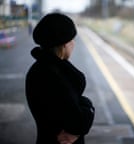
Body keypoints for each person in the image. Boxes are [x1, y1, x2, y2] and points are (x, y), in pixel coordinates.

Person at [25, 13, 95, 144]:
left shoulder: (41, 69)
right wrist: (89, 106)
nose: (73, 44)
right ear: (64, 44)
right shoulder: (52, 76)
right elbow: (79, 123)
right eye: (71, 39)